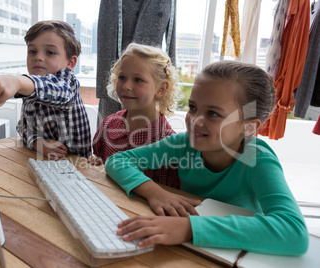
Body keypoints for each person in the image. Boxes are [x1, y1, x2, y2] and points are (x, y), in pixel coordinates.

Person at [105, 61, 309, 255]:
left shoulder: (258, 159)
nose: (195, 121)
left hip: (236, 251)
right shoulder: (184, 143)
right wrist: (154, 192)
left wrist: (190, 229)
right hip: (189, 248)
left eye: (212, 113)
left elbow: (294, 231)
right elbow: (118, 161)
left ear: (249, 127)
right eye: (193, 108)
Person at [0, 20, 91, 159]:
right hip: (45, 165)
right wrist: (38, 143)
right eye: (32, 51)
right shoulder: (30, 88)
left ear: (70, 63)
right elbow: (23, 127)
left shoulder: (68, 83)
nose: (38, 57)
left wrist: (17, 82)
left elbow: (58, 91)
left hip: (79, 168)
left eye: (50, 52)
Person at [88, 43, 180, 188]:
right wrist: (95, 161)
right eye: (122, 77)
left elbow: (169, 194)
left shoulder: (167, 144)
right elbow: (98, 160)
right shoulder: (108, 124)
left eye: (138, 80)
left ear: (161, 89)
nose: (126, 86)